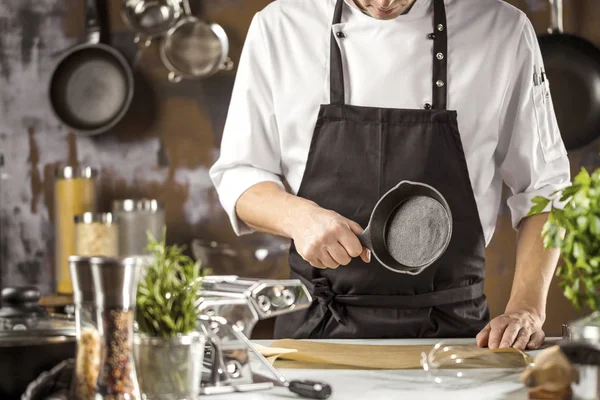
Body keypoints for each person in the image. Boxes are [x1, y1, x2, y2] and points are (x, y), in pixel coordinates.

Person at [209, 0, 571, 350]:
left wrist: (526, 309)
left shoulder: (501, 30)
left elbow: (545, 188)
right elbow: (240, 172)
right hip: (316, 332)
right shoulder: (281, 26)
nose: (383, 3)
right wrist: (298, 218)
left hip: (457, 337)